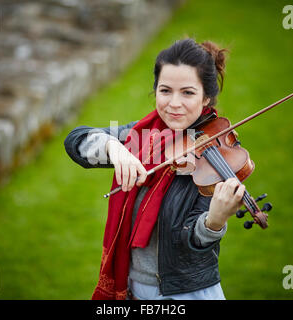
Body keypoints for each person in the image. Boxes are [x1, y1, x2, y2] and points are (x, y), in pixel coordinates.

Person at [64, 38, 245, 300]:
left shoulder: (216, 159)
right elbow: (76, 141)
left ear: (206, 97)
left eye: (187, 92)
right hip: (133, 290)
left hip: (184, 293)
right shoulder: (140, 135)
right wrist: (114, 148)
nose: (173, 103)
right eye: (165, 90)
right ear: (155, 90)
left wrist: (214, 222)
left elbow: (192, 246)